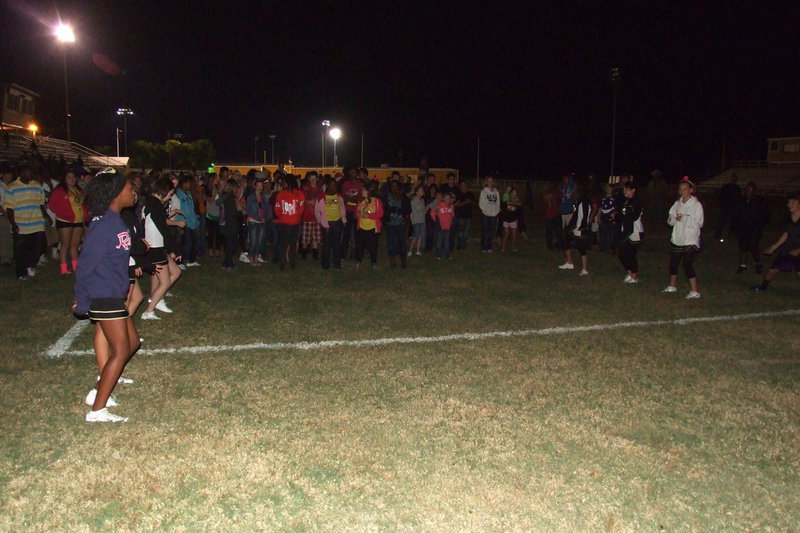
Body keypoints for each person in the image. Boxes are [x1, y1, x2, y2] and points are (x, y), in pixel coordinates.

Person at [73, 169, 140, 423]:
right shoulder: (103, 226)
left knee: (133, 343)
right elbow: (85, 265)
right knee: (120, 351)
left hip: (113, 294)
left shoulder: (115, 221)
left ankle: (98, 390)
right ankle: (97, 411)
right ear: (115, 193)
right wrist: (82, 301)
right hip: (103, 295)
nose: (133, 191)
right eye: (128, 188)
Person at [141, 177, 184, 319]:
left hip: (157, 246)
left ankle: (156, 299)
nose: (170, 197)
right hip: (155, 248)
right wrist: (174, 249)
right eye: (170, 194)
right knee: (164, 282)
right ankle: (149, 311)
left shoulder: (153, 203)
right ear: (164, 190)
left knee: (176, 271)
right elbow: (163, 228)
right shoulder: (155, 204)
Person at [2, 165, 50, 280]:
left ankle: (31, 264)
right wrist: (13, 224)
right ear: (22, 173)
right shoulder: (12, 187)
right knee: (20, 250)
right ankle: (21, 272)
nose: (31, 174)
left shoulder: (37, 186)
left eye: (32, 172)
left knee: (39, 246)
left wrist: (46, 216)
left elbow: (41, 204)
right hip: (21, 224)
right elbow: (9, 208)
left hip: (36, 222)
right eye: (29, 172)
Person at [663, 177, 704, 299]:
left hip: (690, 239)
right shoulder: (677, 204)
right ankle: (672, 286)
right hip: (678, 238)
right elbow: (671, 219)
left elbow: (699, 223)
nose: (682, 191)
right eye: (681, 189)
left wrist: (685, 219)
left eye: (685, 189)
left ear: (691, 190)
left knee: (687, 264)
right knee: (674, 262)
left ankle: (695, 291)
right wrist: (673, 220)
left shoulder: (696, 205)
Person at [751, 192, 800, 291]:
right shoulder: (787, 218)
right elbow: (785, 235)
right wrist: (773, 247)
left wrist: (798, 250)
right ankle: (762, 287)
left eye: (792, 202)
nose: (789, 205)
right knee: (772, 270)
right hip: (787, 249)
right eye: (788, 203)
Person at [47, 170, 86, 274]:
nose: (72, 179)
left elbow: (83, 205)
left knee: (75, 246)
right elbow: (52, 205)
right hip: (64, 220)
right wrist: (64, 214)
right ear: (64, 179)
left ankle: (76, 267)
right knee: (65, 245)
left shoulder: (78, 190)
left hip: (78, 220)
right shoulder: (60, 191)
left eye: (73, 177)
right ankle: (64, 269)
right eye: (69, 177)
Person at [733, 182, 770, 274]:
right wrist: (735, 227)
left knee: (754, 248)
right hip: (743, 228)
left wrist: (761, 228)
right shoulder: (742, 201)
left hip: (754, 229)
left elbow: (764, 215)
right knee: (743, 247)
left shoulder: (759, 201)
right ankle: (742, 265)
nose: (748, 191)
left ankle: (758, 264)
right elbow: (737, 214)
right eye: (747, 189)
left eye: (751, 189)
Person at [273, 174, 305, 270]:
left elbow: (301, 209)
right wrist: (283, 217)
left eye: (284, 182)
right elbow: (277, 208)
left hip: (295, 223)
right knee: (284, 244)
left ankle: (292, 263)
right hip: (284, 224)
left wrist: (294, 218)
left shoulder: (299, 194)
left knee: (293, 244)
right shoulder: (281, 194)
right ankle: (282, 263)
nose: (283, 184)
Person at [315, 176, 347, 269]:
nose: (334, 187)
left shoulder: (338, 196)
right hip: (327, 224)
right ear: (328, 186)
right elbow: (317, 211)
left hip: (337, 222)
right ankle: (325, 265)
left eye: (335, 185)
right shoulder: (322, 197)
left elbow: (342, 208)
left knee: (337, 244)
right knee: (327, 245)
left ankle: (337, 264)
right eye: (332, 185)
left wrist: (343, 219)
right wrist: (321, 222)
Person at [559, 185, 591, 275]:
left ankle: (584, 269)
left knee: (581, 248)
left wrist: (582, 226)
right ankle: (569, 262)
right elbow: (575, 215)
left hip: (580, 228)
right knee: (566, 242)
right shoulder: (578, 201)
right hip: (574, 227)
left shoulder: (584, 202)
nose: (573, 193)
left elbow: (584, 215)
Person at [617, 181, 644, 283]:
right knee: (622, 253)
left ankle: (634, 276)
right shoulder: (626, 201)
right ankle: (630, 272)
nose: (625, 191)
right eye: (624, 189)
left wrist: (622, 216)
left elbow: (634, 216)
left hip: (634, 231)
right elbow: (622, 214)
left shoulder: (636, 202)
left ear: (633, 190)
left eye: (627, 189)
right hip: (626, 230)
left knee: (630, 254)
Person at [354, 182, 383, 269]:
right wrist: (357, 215)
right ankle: (358, 261)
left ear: (368, 191)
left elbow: (380, 213)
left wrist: (369, 215)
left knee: (373, 246)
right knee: (360, 246)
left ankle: (374, 262)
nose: (361, 191)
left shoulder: (376, 201)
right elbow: (356, 213)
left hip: (372, 228)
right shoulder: (361, 201)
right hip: (362, 227)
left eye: (363, 190)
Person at [383, 180, 411, 268]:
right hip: (390, 224)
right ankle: (392, 262)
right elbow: (383, 210)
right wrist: (390, 210)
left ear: (399, 187)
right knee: (391, 243)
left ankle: (403, 261)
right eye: (392, 186)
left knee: (402, 242)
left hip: (401, 223)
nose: (394, 188)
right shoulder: (386, 197)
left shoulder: (403, 197)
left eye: (396, 186)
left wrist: (402, 211)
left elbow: (409, 210)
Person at [339, 167, 364, 259]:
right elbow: (343, 196)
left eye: (353, 172)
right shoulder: (346, 183)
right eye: (350, 173)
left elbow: (361, 197)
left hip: (357, 211)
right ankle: (343, 254)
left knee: (357, 234)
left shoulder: (360, 184)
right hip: (348, 211)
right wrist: (353, 199)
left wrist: (351, 199)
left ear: (357, 173)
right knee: (346, 233)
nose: (352, 174)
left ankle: (357, 254)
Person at [216, 178, 240, 271]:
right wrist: (239, 211)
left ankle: (226, 263)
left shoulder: (224, 196)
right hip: (230, 224)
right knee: (232, 245)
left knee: (229, 244)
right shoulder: (230, 198)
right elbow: (231, 212)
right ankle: (229, 264)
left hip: (224, 223)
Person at [300, 171, 323, 260]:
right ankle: (304, 252)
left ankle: (315, 253)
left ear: (317, 179)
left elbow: (321, 201)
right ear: (308, 179)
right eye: (311, 178)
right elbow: (302, 200)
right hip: (307, 216)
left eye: (314, 178)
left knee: (315, 237)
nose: (313, 180)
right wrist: (310, 202)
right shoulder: (305, 188)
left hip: (317, 217)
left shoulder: (320, 189)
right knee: (305, 237)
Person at [245, 179, 268, 266]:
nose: (259, 187)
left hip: (262, 221)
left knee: (259, 241)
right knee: (253, 241)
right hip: (253, 221)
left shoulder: (263, 197)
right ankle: (251, 258)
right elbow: (249, 210)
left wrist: (264, 218)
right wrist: (258, 218)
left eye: (261, 186)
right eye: (258, 186)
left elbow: (266, 209)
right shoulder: (251, 197)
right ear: (255, 186)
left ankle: (256, 257)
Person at [715, 174, 741, 242]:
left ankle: (730, 233)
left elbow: (738, 198)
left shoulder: (737, 188)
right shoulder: (725, 187)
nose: (733, 181)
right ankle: (718, 233)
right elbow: (721, 196)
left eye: (734, 179)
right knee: (721, 221)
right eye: (732, 179)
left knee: (732, 222)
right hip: (725, 206)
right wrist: (720, 204)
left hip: (732, 207)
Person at [479, 177, 500, 252]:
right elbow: (481, 203)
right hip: (486, 215)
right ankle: (483, 246)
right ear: (486, 182)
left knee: (491, 231)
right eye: (489, 181)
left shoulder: (496, 192)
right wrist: (486, 210)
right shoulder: (483, 192)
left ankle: (489, 246)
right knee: (484, 230)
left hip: (494, 215)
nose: (490, 182)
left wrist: (496, 211)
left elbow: (498, 203)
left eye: (491, 181)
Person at [431, 192, 455, 260]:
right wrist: (436, 220)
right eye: (446, 198)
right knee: (439, 241)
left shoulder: (452, 206)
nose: (448, 199)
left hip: (448, 227)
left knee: (446, 242)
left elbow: (452, 215)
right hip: (440, 227)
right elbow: (432, 212)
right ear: (443, 199)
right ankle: (438, 254)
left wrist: (451, 222)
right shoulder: (440, 206)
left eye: (449, 198)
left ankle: (446, 255)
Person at [452, 180, 475, 251]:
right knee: (460, 231)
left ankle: (463, 245)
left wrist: (467, 202)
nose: (463, 186)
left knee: (466, 232)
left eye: (464, 185)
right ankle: (459, 245)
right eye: (462, 185)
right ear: (460, 186)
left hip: (468, 215)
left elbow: (473, 202)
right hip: (459, 215)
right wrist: (463, 203)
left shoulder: (470, 194)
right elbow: (456, 203)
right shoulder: (457, 193)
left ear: (466, 186)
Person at [500, 186, 522, 252]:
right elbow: (504, 205)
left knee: (514, 235)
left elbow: (519, 204)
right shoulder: (506, 201)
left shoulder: (517, 202)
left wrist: (512, 202)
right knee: (507, 234)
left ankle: (513, 247)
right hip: (506, 220)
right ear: (510, 194)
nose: (514, 194)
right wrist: (509, 203)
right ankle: (503, 247)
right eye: (513, 193)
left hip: (513, 220)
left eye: (515, 193)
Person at [542, 181, 562, 250]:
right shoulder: (557, 193)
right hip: (555, 214)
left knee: (550, 232)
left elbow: (544, 205)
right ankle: (557, 245)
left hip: (550, 215)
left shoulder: (549, 194)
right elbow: (559, 201)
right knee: (557, 232)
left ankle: (550, 246)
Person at [598, 183, 617, 253]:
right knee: (602, 233)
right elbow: (599, 208)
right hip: (603, 218)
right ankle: (602, 248)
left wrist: (614, 219)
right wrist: (599, 218)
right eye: (607, 188)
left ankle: (611, 248)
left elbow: (616, 209)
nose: (608, 189)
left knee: (611, 234)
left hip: (611, 218)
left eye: (610, 188)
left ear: (612, 189)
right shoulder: (602, 198)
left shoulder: (614, 198)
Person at [409, 185, 428, 256]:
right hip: (416, 220)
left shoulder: (422, 200)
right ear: (416, 192)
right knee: (415, 235)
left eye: (422, 190)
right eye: (420, 190)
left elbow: (424, 211)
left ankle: (418, 250)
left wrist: (425, 209)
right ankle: (410, 250)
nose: (422, 192)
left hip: (422, 220)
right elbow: (419, 209)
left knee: (420, 236)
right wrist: (425, 208)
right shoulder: (414, 200)